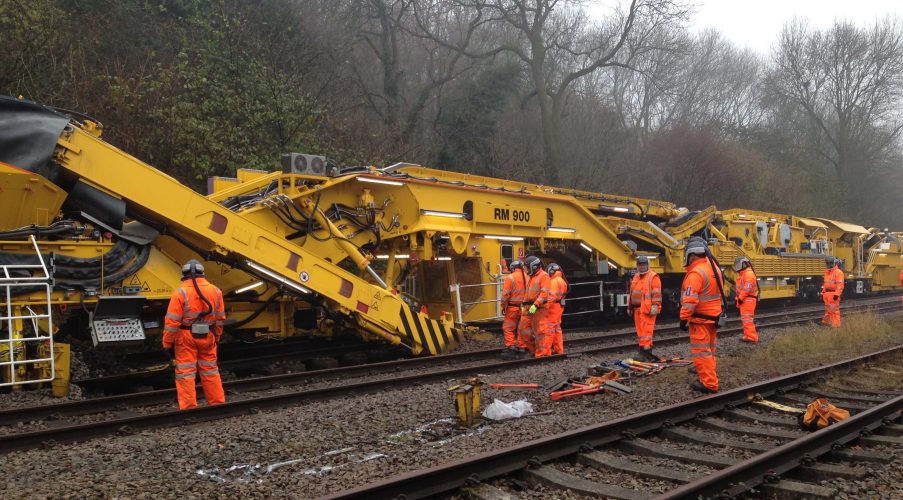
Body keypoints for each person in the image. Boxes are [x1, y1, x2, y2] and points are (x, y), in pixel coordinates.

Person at [163, 259, 227, 410]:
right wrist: (217, 337)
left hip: (186, 336)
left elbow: (172, 323)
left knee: (186, 372)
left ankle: (189, 407)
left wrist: (167, 343)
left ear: (184, 275)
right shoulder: (216, 291)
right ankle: (217, 404)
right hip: (208, 335)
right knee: (210, 370)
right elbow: (219, 319)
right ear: (203, 273)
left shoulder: (180, 292)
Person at [679, 237, 725, 394]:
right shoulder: (714, 268)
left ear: (691, 255)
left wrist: (683, 318)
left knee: (701, 352)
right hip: (714, 317)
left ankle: (709, 383)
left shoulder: (696, 273)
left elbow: (690, 300)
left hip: (700, 319)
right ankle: (709, 376)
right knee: (709, 351)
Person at [628, 255, 662, 361]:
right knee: (641, 332)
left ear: (648, 265)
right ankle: (643, 352)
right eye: (640, 264)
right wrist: (630, 307)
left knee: (646, 332)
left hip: (648, 309)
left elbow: (657, 293)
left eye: (643, 264)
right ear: (637, 266)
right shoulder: (636, 276)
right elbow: (632, 293)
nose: (642, 266)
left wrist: (655, 305)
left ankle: (646, 352)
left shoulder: (653, 277)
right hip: (637, 309)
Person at [519, 255, 551, 357]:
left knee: (540, 332)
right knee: (523, 330)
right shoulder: (531, 276)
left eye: (527, 268)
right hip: (529, 307)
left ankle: (541, 354)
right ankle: (534, 351)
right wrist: (523, 303)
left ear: (533, 267)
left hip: (539, 308)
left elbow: (544, 293)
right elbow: (528, 292)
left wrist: (536, 305)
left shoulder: (544, 276)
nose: (525, 270)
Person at [500, 260, 527, 359]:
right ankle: (522, 348)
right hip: (524, 308)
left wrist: (503, 306)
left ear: (513, 268)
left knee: (508, 328)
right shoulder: (527, 276)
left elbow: (505, 295)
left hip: (513, 308)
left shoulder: (510, 278)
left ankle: (511, 349)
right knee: (521, 328)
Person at [734, 256, 759, 343]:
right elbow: (742, 289)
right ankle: (748, 335)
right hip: (746, 299)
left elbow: (747, 288)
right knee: (746, 319)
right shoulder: (745, 274)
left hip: (748, 300)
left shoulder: (748, 274)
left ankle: (752, 337)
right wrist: (738, 299)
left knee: (747, 319)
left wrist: (740, 298)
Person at [546, 263, 568, 355]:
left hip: (553, 307)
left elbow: (551, 297)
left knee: (549, 329)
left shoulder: (554, 281)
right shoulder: (561, 280)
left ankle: (546, 352)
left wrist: (544, 307)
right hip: (559, 307)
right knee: (557, 329)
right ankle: (559, 350)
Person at [821, 256, 845, 328]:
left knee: (834, 311)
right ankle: (826, 323)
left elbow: (840, 285)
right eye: (827, 263)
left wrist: (837, 294)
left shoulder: (838, 272)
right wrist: (823, 293)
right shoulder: (827, 272)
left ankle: (836, 326)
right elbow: (825, 284)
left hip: (833, 294)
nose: (829, 264)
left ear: (834, 263)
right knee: (828, 310)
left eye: (830, 263)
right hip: (827, 294)